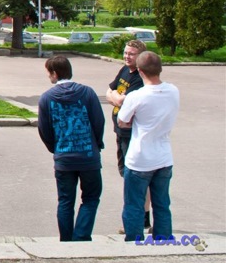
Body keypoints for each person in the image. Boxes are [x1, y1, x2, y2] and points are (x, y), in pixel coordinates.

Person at [37, 55, 106, 241]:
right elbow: (98, 121)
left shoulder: (46, 98)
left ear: (54, 73)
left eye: (48, 73)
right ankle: (81, 236)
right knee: (91, 198)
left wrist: (55, 148)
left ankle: (66, 240)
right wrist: (97, 143)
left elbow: (44, 129)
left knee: (65, 201)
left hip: (64, 157)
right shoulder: (88, 93)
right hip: (88, 155)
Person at [117, 51, 179, 242]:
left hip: (139, 159)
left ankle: (134, 240)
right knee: (161, 203)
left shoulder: (136, 96)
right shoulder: (173, 90)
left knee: (134, 203)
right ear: (160, 69)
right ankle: (162, 239)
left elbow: (122, 121)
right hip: (164, 157)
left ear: (140, 71)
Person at [106, 39, 148, 231]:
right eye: (126, 52)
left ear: (140, 57)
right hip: (120, 131)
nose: (127, 56)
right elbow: (110, 91)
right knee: (127, 174)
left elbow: (124, 100)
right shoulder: (124, 70)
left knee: (134, 177)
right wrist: (116, 98)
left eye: (131, 54)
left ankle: (138, 218)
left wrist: (116, 98)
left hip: (131, 132)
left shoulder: (139, 77)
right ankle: (143, 216)